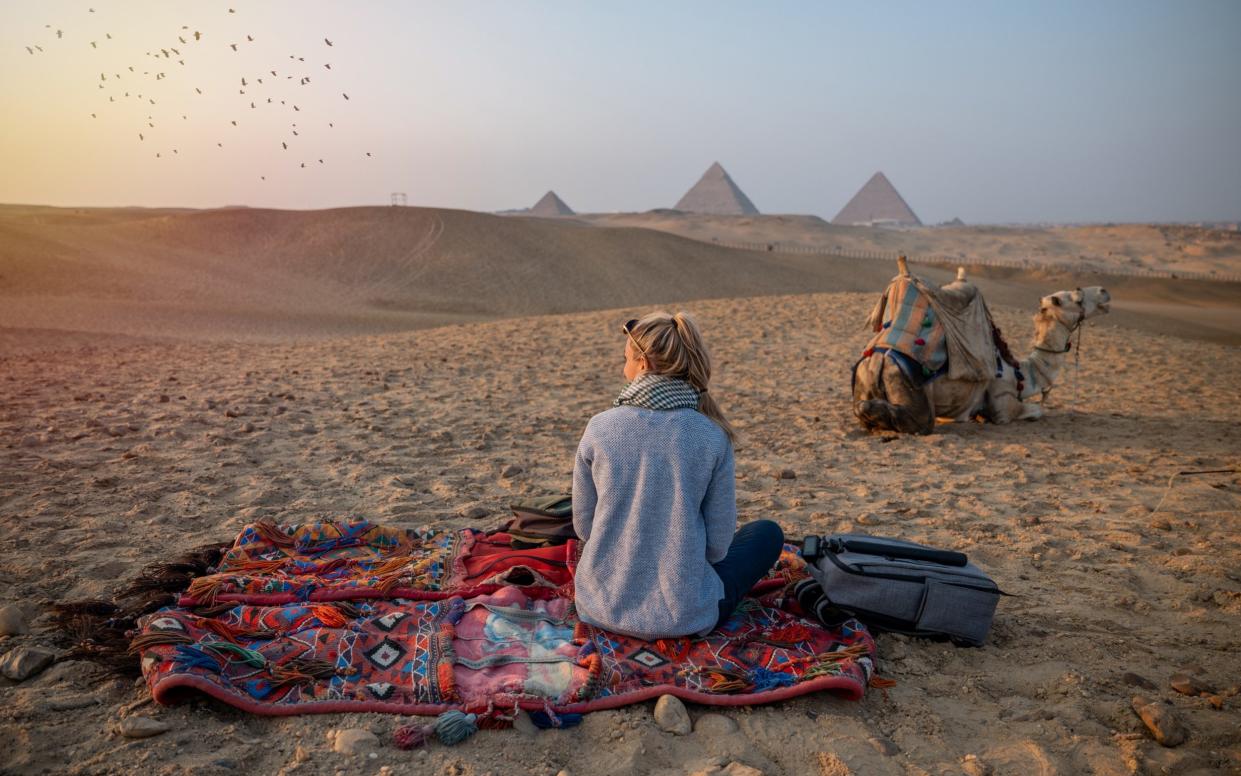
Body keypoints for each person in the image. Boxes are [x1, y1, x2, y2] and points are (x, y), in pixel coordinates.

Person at [571, 311, 784, 640]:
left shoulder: (599, 427)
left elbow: (584, 528)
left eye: (625, 359)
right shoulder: (712, 436)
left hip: (600, 606)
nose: (623, 368)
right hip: (683, 616)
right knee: (766, 534)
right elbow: (717, 548)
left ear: (643, 363)